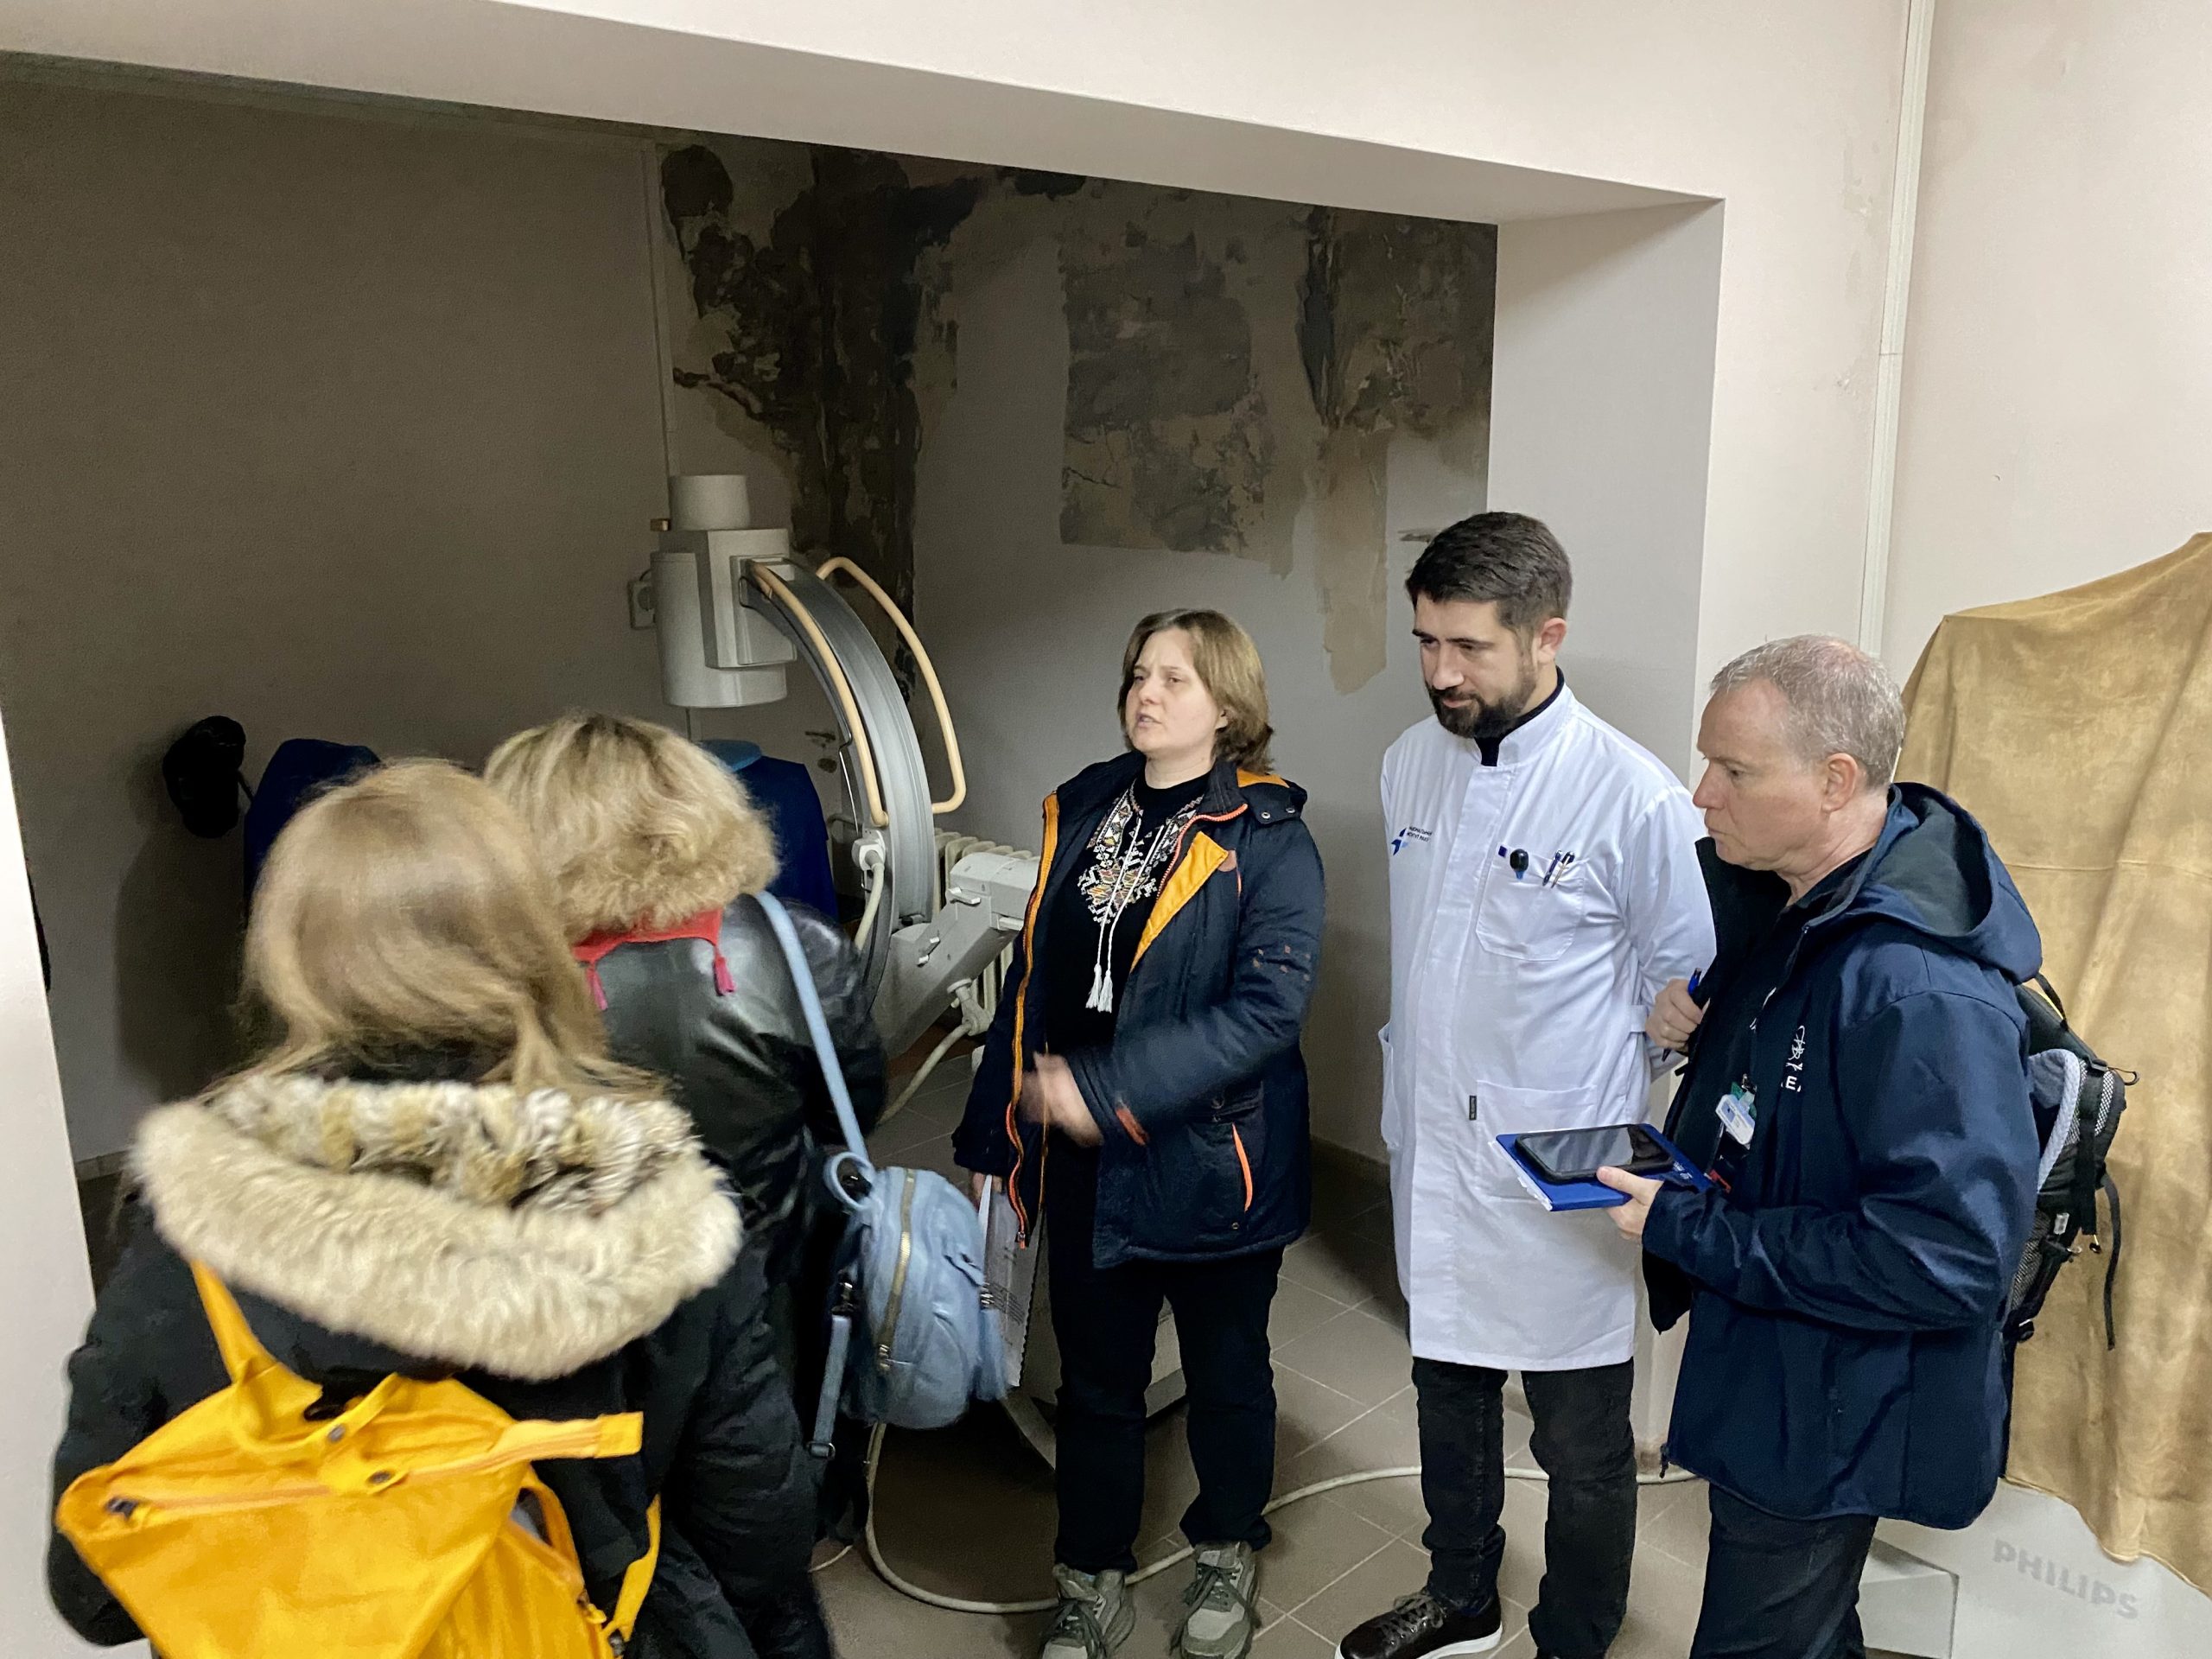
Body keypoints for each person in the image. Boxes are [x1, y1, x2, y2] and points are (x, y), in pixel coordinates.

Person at [48, 760, 823, 1657]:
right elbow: (757, 1533)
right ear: (533, 936)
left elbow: (94, 1595)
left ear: (289, 957)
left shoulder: (186, 1227)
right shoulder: (655, 1200)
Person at [1605, 637, 2040, 1659]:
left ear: (1835, 781)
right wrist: (1705, 1026)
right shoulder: (1805, 903)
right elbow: (1806, 1084)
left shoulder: (1918, 989)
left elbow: (1946, 1257)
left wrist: (1689, 1228)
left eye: (1735, 770)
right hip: (1779, 1360)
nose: (1701, 794)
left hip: (1833, 1403)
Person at [1338, 513, 1713, 1659]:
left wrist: (1647, 1047)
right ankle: (1461, 1594)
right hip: (1436, 1148)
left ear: (1547, 636)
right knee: (1445, 1389)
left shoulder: (1631, 797)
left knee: (1581, 1440)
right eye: (1425, 642)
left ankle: (1575, 1635)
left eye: (1470, 647)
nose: (1441, 672)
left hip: (1564, 1163)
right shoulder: (1410, 764)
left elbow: (1687, 983)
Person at [953, 609, 1325, 1659]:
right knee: (1097, 1385)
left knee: (1226, 1380)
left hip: (1214, 1170)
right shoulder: (1085, 805)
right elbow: (1031, 981)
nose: (1146, 694)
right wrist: (993, 1136)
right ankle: (1090, 1575)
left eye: (1174, 678)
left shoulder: (1268, 840)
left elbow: (1265, 1016)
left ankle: (1226, 1548)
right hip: (1087, 1166)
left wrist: (1105, 1090)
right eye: (1138, 675)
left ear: (1228, 706)